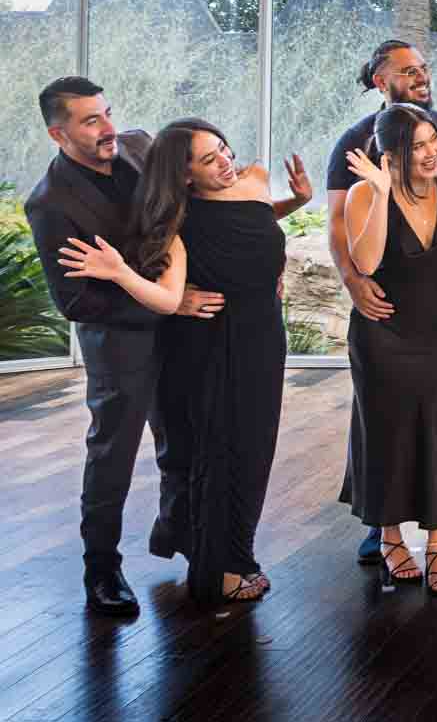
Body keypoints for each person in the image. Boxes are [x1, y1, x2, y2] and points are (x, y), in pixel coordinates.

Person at [63, 119, 306, 605]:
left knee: (256, 453)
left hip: (264, 339)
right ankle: (225, 568)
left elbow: (259, 221)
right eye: (209, 159)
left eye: (224, 148)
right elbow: (164, 297)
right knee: (222, 457)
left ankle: (222, 552)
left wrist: (298, 201)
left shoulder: (255, 180)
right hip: (214, 346)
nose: (226, 161)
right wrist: (119, 272)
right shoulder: (180, 225)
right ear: (185, 175)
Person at [25, 77, 209, 615]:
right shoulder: (50, 204)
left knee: (184, 436)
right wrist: (165, 302)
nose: (108, 128)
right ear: (59, 134)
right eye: (90, 121)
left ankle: (182, 535)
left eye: (107, 113)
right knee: (113, 456)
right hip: (121, 341)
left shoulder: (139, 145)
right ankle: (101, 568)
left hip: (180, 326)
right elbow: (76, 303)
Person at [327, 40, 437, 565]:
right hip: (385, 317)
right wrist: (352, 283)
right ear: (379, 81)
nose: (420, 76)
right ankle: (383, 526)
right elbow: (340, 232)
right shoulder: (353, 146)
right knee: (382, 419)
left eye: (423, 68)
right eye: (407, 71)